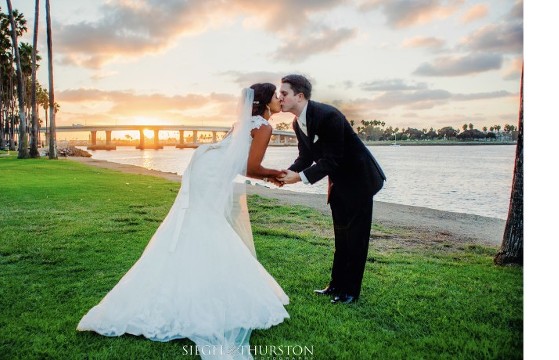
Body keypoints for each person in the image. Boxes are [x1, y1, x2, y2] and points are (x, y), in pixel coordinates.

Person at [77, 84, 289, 359]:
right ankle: (200, 296)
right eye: (276, 96)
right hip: (211, 173)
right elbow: (249, 167)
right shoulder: (263, 126)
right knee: (208, 226)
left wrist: (269, 176)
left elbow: (240, 165)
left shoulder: (242, 122)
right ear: (264, 101)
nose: (279, 100)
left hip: (205, 169)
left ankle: (185, 285)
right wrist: (277, 174)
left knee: (199, 223)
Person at [277, 74, 386, 305]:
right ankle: (335, 285)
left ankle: (350, 292)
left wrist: (300, 178)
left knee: (356, 240)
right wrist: (285, 173)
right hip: (337, 184)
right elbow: (305, 156)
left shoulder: (329, 115)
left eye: (284, 93)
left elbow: (332, 159)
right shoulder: (297, 123)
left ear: (300, 95)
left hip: (359, 182)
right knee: (342, 238)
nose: (280, 97)